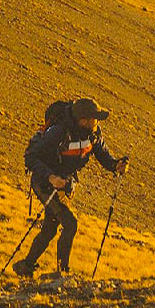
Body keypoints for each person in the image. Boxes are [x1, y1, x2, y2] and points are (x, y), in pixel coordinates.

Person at [14, 97, 130, 279]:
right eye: (94, 118)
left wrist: (116, 165)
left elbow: (103, 155)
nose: (97, 122)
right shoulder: (59, 132)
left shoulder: (93, 133)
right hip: (44, 182)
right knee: (70, 224)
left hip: (63, 184)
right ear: (82, 120)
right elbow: (32, 157)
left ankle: (26, 266)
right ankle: (62, 274)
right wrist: (51, 177)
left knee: (50, 228)